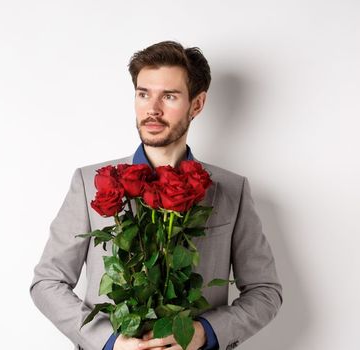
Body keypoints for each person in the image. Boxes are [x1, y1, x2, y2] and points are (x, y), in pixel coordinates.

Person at [29, 41, 283, 350]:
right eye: (143, 93)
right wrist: (109, 342)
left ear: (197, 104)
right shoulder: (89, 182)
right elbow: (47, 282)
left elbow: (265, 291)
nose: (153, 108)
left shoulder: (232, 189)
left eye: (170, 96)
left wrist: (203, 333)